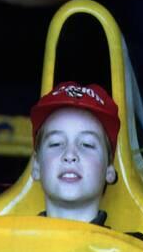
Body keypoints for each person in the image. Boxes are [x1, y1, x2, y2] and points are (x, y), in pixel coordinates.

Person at [30, 81, 119, 224]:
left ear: (109, 169)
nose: (70, 155)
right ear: (36, 166)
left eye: (87, 144)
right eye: (56, 143)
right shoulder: (6, 244)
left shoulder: (137, 245)